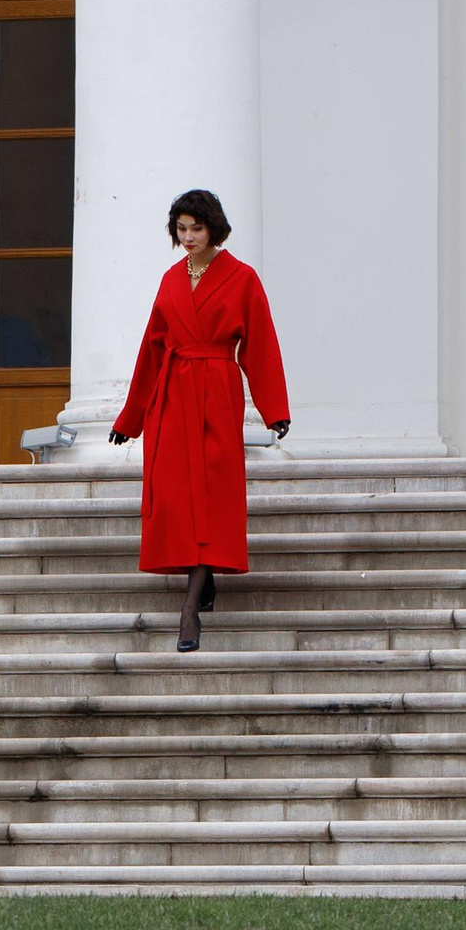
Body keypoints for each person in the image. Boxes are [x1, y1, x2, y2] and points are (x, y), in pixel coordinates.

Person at [109, 190, 290, 651]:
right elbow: (152, 347)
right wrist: (131, 418)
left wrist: (275, 409)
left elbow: (261, 344)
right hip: (172, 398)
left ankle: (190, 609)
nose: (188, 237)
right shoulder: (171, 279)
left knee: (211, 495)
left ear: (214, 228)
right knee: (175, 497)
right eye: (181, 229)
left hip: (216, 394)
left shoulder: (242, 278)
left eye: (197, 228)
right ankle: (201, 580)